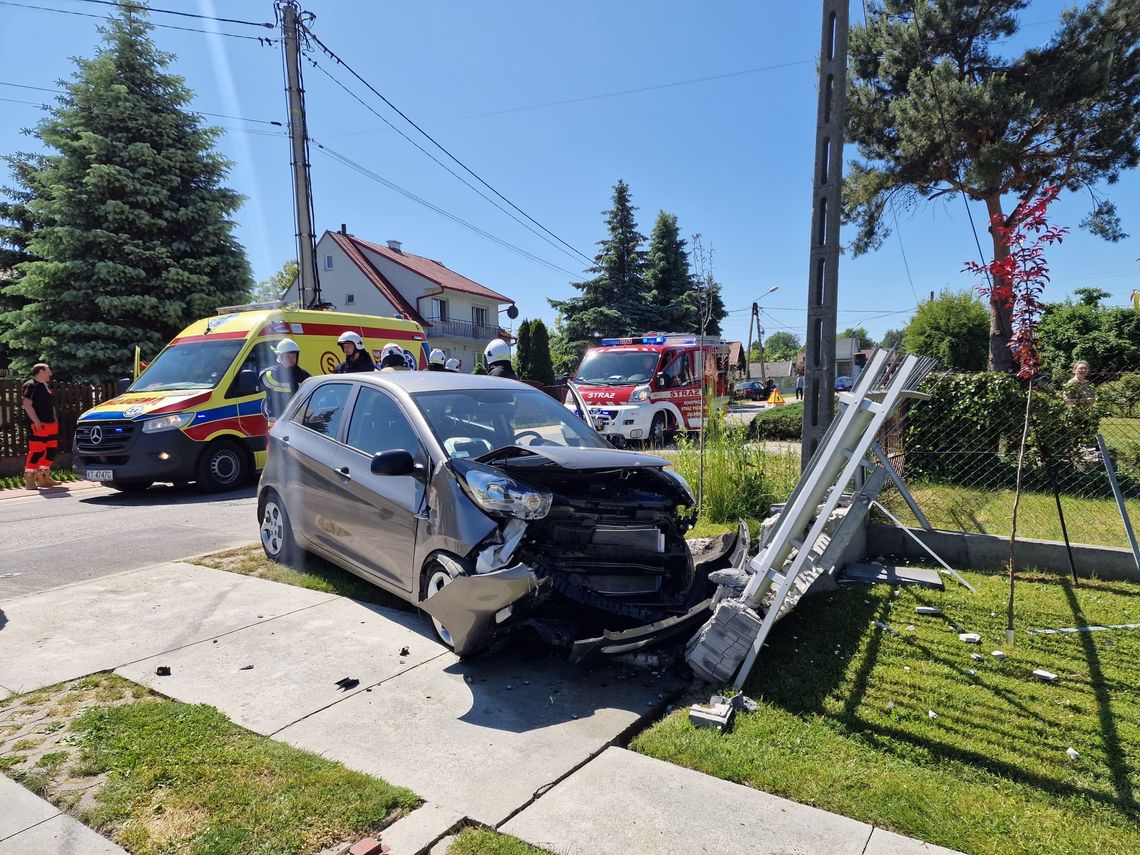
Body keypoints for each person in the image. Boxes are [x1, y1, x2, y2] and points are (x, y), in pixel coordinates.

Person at [22, 363, 65, 490]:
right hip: (39, 424)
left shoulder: (45, 385)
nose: (50, 373)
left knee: (50, 450)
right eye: (48, 371)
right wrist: (36, 421)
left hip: (51, 424)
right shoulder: (30, 385)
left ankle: (44, 478)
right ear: (40, 371)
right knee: (37, 450)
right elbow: (27, 404)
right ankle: (30, 479)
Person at [257, 338, 311, 426]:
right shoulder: (271, 373)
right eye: (287, 356)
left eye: (293, 356)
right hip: (276, 423)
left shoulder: (303, 374)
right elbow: (265, 379)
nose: (291, 359)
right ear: (279, 357)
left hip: (296, 422)